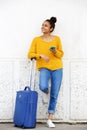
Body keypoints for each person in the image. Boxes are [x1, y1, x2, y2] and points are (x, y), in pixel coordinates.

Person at [27, 17, 64, 128]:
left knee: (55, 94)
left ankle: (49, 118)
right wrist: (40, 55)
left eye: (46, 25)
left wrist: (55, 51)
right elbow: (30, 54)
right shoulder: (36, 40)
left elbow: (61, 54)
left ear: (51, 28)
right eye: (42, 25)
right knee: (43, 86)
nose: (43, 27)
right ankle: (46, 91)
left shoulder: (57, 39)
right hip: (44, 67)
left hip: (57, 68)